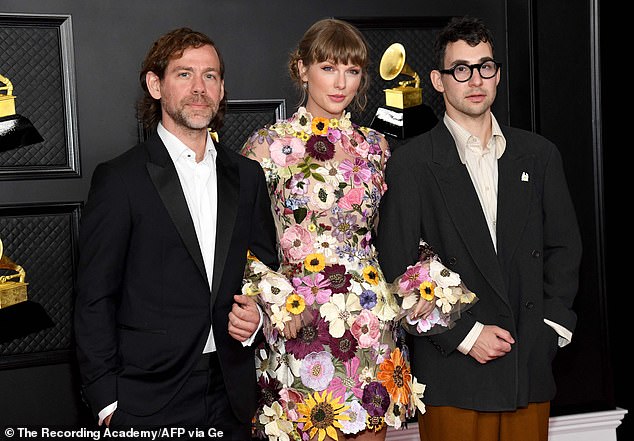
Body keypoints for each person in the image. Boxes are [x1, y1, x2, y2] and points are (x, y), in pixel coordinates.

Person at [240, 18, 475, 441]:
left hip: (370, 323)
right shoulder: (266, 146)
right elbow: (237, 242)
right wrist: (275, 296)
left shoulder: (375, 147)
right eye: (329, 68)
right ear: (301, 69)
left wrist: (425, 283)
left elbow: (397, 234)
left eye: (352, 71)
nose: (341, 83)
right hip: (301, 323)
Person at [376, 16, 583, 441]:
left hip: (527, 363)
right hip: (454, 371)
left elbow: (564, 249)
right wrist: (466, 336)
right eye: (461, 69)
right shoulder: (411, 164)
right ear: (438, 80)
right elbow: (396, 267)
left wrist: (549, 331)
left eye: (485, 66)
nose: (475, 80)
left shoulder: (539, 155)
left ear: (498, 74)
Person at [73, 27, 278, 439]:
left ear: (222, 89)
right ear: (155, 84)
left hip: (231, 391)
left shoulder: (248, 176)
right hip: (146, 396)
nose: (199, 88)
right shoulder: (120, 179)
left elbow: (263, 269)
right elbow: (94, 296)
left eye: (211, 76)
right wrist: (107, 400)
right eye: (184, 74)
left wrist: (257, 318)